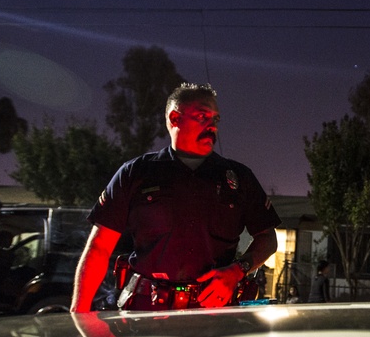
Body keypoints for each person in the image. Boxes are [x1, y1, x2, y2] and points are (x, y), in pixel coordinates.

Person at [70, 83, 280, 312]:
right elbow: (99, 248)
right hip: (144, 313)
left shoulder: (239, 177)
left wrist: (237, 270)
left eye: (216, 119)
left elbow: (267, 237)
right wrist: (78, 315)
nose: (212, 126)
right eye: (202, 116)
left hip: (214, 313)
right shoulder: (136, 173)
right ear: (174, 118)